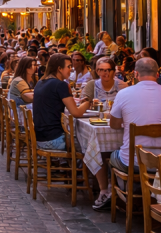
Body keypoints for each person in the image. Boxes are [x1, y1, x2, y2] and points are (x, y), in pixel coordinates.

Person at [107, 57, 161, 205]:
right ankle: (152, 194)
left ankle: (122, 196)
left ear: (135, 74)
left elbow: (113, 124)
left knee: (112, 155)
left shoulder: (124, 93)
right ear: (157, 74)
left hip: (132, 162)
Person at [32, 54, 109, 209]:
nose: (71, 69)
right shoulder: (59, 85)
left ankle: (93, 182)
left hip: (41, 137)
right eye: (68, 66)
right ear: (59, 68)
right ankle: (104, 190)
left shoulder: (41, 82)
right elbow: (77, 113)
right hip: (54, 140)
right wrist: (88, 102)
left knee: (90, 141)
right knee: (96, 145)